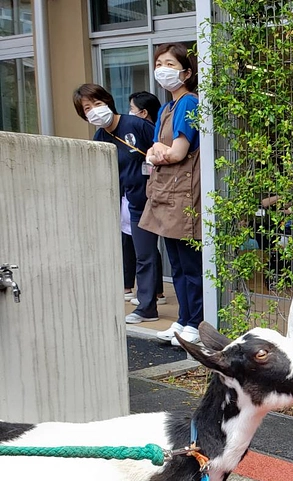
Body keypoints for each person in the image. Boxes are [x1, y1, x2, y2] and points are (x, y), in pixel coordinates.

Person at [73, 83, 157, 322]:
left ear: (108, 101)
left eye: (97, 104)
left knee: (175, 257)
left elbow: (161, 150)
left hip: (158, 199)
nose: (94, 111)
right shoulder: (100, 137)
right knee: (144, 255)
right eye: (87, 108)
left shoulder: (137, 125)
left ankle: (189, 314)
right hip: (133, 205)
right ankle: (147, 307)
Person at [140, 43, 203, 346]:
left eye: (169, 64)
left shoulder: (189, 103)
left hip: (181, 193)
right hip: (167, 193)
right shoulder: (166, 108)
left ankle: (195, 322)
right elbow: (155, 150)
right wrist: (160, 152)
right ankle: (183, 319)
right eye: (159, 63)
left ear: (187, 72)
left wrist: (161, 153)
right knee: (176, 264)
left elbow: (176, 152)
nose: (162, 69)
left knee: (190, 265)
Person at [127, 91, 167, 308]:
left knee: (150, 253)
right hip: (140, 200)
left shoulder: (151, 132)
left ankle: (154, 295)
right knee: (147, 252)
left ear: (143, 113)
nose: (129, 114)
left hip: (158, 198)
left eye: (132, 109)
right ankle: (151, 297)